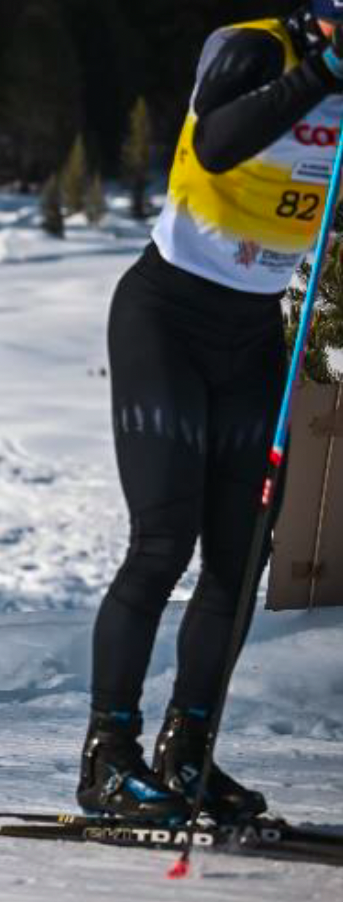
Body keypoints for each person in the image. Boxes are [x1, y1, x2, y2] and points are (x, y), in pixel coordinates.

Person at [79, 0, 343, 823]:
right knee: (163, 544)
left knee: (241, 558)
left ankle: (187, 753)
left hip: (253, 335)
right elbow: (218, 145)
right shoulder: (251, 50)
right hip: (166, 318)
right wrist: (326, 72)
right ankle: (107, 757)